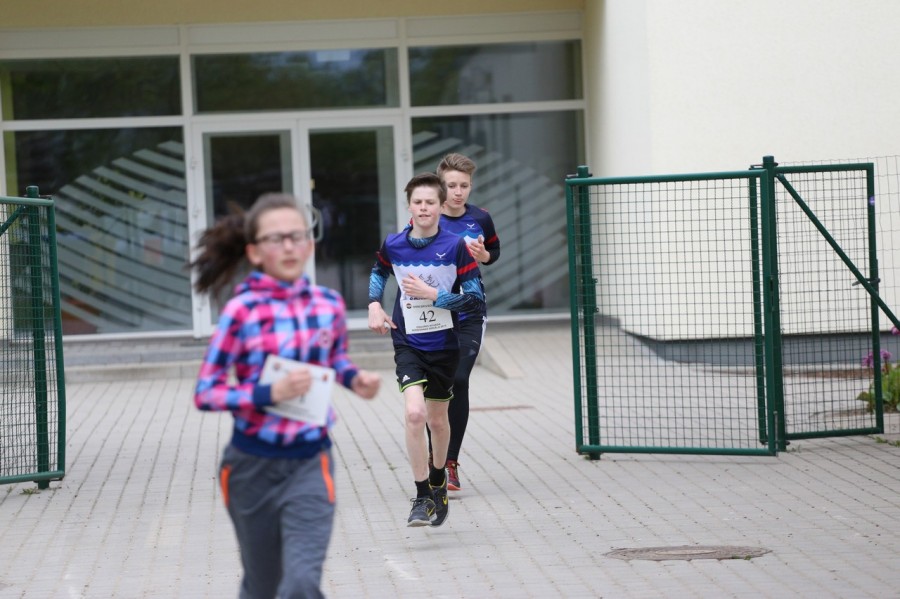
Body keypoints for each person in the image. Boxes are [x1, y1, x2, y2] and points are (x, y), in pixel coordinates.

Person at [191, 193, 381, 599]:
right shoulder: (241, 312)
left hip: (311, 461)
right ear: (255, 252)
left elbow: (334, 360)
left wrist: (356, 379)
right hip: (251, 468)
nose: (289, 246)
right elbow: (206, 392)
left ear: (310, 245)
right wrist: (268, 392)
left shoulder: (328, 305)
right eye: (276, 239)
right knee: (263, 587)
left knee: (300, 584)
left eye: (297, 236)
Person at [367, 172, 485, 527]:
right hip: (408, 342)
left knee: (437, 420)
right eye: (417, 202)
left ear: (440, 205)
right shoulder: (394, 244)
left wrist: (435, 296)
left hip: (445, 345)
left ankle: (438, 481)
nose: (423, 208)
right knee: (415, 414)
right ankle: (422, 496)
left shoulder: (456, 247)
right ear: (409, 206)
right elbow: (379, 271)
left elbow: (475, 301)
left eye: (430, 202)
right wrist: (374, 304)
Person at [432, 152, 501, 491]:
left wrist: (483, 255)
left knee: (458, 379)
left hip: (471, 311)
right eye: (451, 185)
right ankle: (435, 460)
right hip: (434, 312)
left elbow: (494, 252)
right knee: (437, 386)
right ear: (440, 186)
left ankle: (450, 462)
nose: (458, 192)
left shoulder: (481, 218)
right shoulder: (427, 218)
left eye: (464, 185)